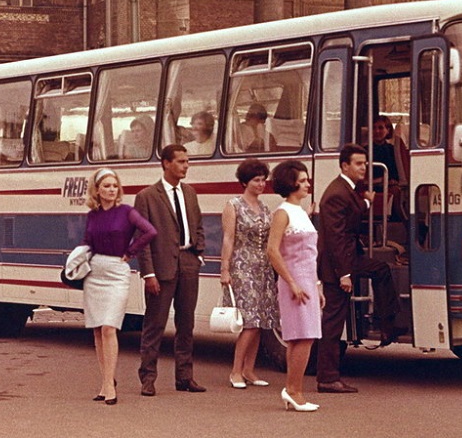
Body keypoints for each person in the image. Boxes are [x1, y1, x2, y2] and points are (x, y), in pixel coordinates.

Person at [316, 144, 403, 394]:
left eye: (365, 163)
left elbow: (353, 209)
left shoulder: (349, 190)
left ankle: (387, 324)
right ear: (344, 166)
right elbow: (335, 238)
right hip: (337, 266)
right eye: (358, 164)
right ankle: (327, 378)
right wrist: (344, 274)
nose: (364, 168)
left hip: (347, 259)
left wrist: (367, 204)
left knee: (381, 270)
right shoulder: (336, 193)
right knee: (333, 323)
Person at [134, 144, 207, 396]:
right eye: (181, 162)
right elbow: (142, 239)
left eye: (187, 162)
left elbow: (198, 225)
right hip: (161, 268)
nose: (186, 166)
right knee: (155, 324)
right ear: (166, 163)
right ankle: (148, 378)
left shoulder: (190, 193)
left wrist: (198, 252)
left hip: (188, 262)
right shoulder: (147, 196)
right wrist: (148, 273)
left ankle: (185, 377)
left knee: (186, 323)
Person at [82, 167, 157, 404]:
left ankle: (109, 387)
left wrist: (130, 252)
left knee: (109, 327)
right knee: (96, 328)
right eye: (106, 186)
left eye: (115, 186)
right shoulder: (92, 215)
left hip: (117, 273)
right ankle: (106, 381)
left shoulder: (127, 212)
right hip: (94, 271)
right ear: (97, 190)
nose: (112, 190)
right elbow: (86, 242)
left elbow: (150, 231)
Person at [266, 159, 322, 412]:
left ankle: (293, 390)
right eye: (302, 181)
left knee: (300, 337)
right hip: (295, 280)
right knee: (304, 337)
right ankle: (294, 390)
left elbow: (311, 254)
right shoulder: (283, 212)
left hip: (307, 279)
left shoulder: (301, 212)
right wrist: (291, 282)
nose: (307, 184)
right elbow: (272, 251)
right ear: (290, 184)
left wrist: (317, 285)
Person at [220, 158, 279, 389]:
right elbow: (228, 238)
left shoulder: (265, 207)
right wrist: (225, 269)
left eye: (263, 180)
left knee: (261, 321)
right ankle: (235, 371)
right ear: (245, 181)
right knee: (249, 322)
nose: (261, 184)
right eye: (256, 180)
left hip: (263, 267)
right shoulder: (233, 205)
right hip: (242, 267)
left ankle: (249, 370)